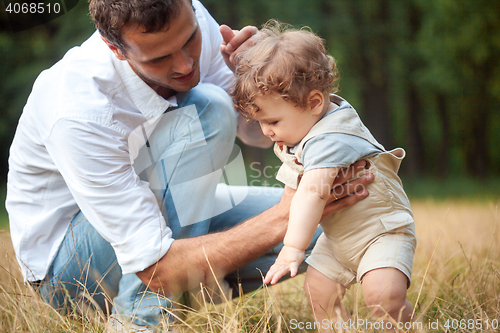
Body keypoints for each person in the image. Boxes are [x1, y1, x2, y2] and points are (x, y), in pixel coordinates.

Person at [5, 1, 373, 331]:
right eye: (158, 59)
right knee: (208, 110)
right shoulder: (78, 110)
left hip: (162, 221)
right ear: (115, 49)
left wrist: (257, 83)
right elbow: (155, 268)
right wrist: (283, 217)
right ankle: (137, 323)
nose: (184, 64)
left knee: (327, 226)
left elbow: (260, 136)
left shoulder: (197, 22)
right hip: (71, 272)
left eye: (190, 40)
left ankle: (180, 300)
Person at [231, 21, 417, 332]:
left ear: (315, 102)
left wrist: (292, 248)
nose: (266, 132)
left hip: (380, 232)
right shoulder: (303, 129)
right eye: (261, 122)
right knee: (319, 291)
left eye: (273, 120)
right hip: (338, 238)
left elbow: (313, 192)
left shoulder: (332, 135)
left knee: (383, 296)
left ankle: (407, 326)